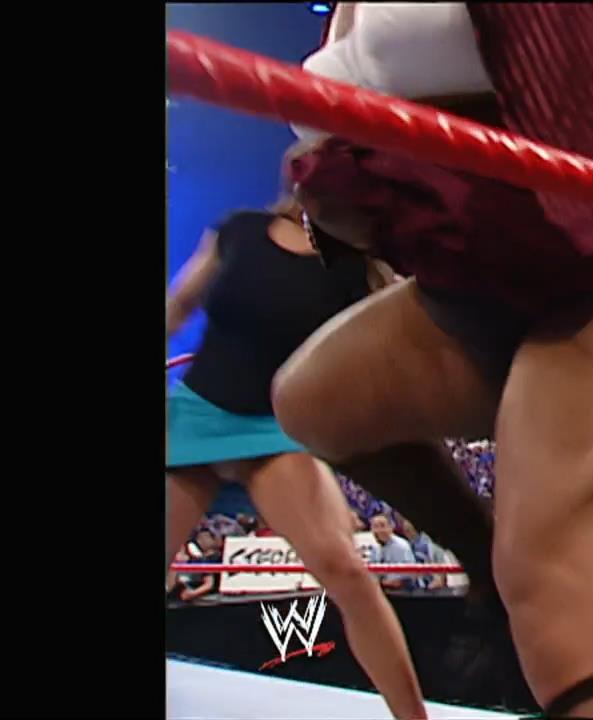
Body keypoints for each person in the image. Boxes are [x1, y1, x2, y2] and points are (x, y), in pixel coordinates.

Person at [272, 4, 593, 716]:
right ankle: (485, 564)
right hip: (482, 286)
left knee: (569, 621)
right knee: (315, 400)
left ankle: (531, 598)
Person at [165, 193, 426, 719]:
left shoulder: (359, 263)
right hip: (198, 410)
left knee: (344, 570)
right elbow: (180, 304)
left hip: (277, 426)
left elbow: (407, 339)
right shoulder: (238, 229)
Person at [369, 512, 418, 592]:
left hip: (402, 590)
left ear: (390, 527)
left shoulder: (401, 546)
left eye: (382, 525)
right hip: (382, 588)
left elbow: (402, 579)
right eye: (375, 526)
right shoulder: (376, 547)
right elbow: (372, 572)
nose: (379, 530)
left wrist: (380, 582)